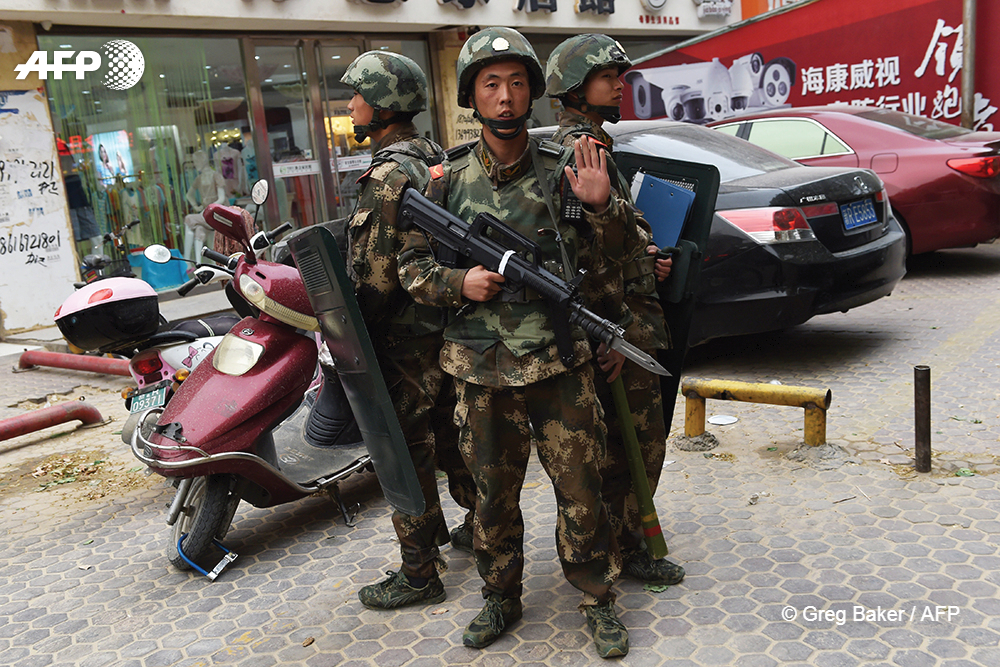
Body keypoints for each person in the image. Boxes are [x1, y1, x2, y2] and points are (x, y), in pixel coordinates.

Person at [398, 27, 633, 658]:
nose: (505, 97)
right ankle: (500, 595)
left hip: (560, 362)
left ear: (533, 92)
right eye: (491, 84)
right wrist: (458, 281)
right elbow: (409, 268)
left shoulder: (568, 167)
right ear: (471, 95)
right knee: (491, 498)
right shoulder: (443, 180)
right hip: (480, 370)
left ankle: (598, 597)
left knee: (582, 490)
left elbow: (613, 263)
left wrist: (603, 209)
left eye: (517, 83)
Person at [545, 34, 685, 587]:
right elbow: (581, 259)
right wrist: (615, 333)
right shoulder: (580, 152)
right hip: (618, 327)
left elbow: (615, 238)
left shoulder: (594, 144)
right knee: (631, 448)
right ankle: (624, 549)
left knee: (635, 446)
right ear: (575, 88)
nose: (620, 86)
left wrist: (646, 255)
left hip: (629, 319)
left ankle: (626, 544)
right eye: (608, 78)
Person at [341, 51, 477, 611]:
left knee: (405, 451)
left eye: (356, 95)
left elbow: (376, 279)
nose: (350, 104)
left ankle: (420, 572)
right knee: (454, 436)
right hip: (451, 330)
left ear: (381, 104)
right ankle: (482, 527)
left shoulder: (387, 175)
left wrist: (352, 332)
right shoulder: (437, 159)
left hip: (404, 341)